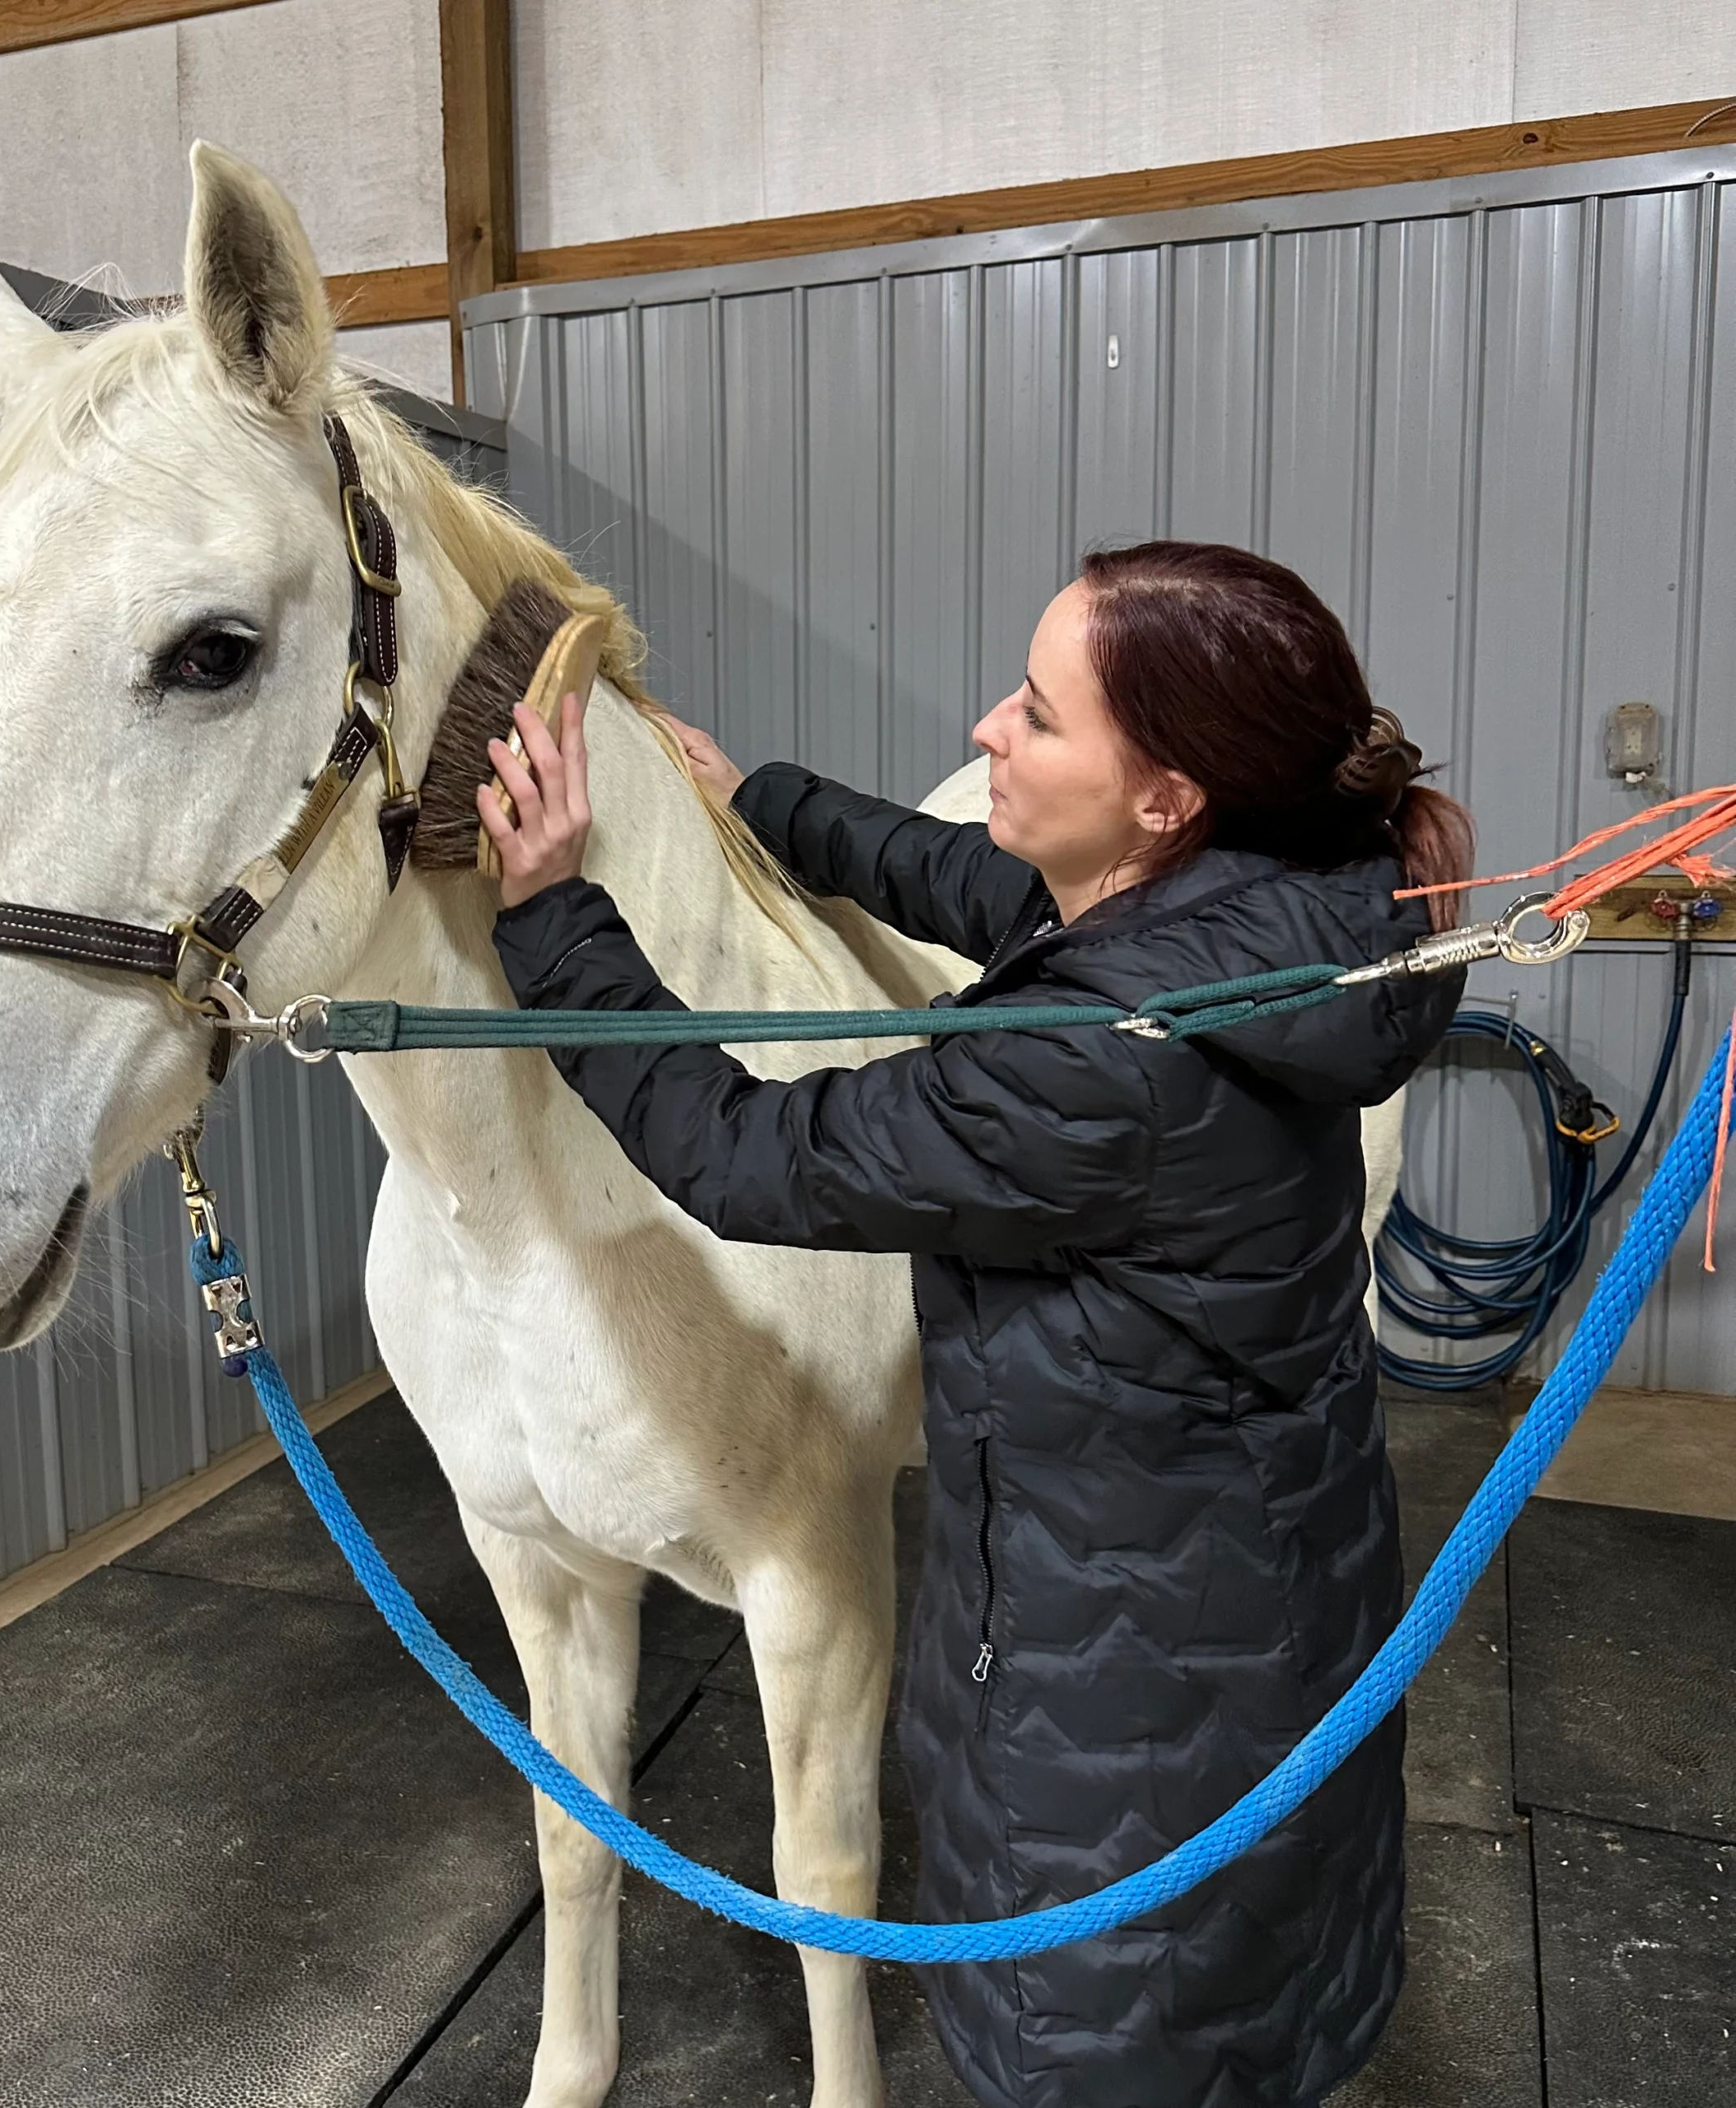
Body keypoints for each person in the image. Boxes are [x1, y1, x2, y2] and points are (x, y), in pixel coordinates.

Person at [475, 540, 1475, 2108]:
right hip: (1267, 1604)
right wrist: (761, 805)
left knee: (1103, 2039)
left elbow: (750, 1154)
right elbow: (987, 887)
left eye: (1038, 713)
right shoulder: (1261, 920)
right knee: (1260, 2004)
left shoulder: (1095, 1062)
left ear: (1165, 798)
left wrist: (552, 922)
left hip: (1126, 1703)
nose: (985, 727)